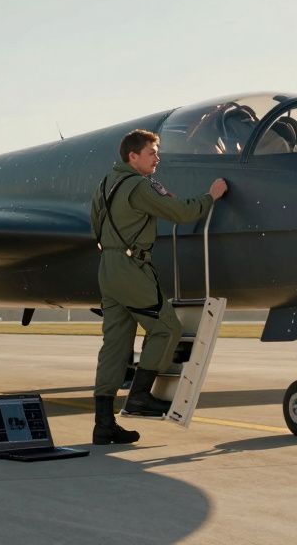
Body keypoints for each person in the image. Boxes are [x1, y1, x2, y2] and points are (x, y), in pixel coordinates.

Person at [89, 129, 228, 445]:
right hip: (131, 268)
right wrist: (212, 196)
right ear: (132, 156)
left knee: (115, 347)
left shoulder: (105, 185)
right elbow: (181, 212)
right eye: (151, 153)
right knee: (166, 329)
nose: (157, 158)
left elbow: (95, 224)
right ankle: (139, 397)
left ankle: (103, 424)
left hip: (108, 268)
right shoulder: (138, 186)